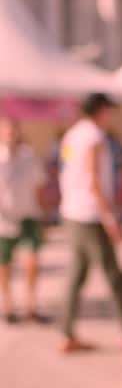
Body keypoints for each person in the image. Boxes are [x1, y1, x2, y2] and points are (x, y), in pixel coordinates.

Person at [58, 92, 122, 352]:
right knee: (113, 273)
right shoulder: (93, 137)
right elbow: (93, 180)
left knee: (77, 275)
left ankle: (66, 332)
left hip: (72, 211)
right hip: (89, 213)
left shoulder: (72, 134)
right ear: (101, 111)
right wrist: (111, 219)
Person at [0, 117, 47, 323]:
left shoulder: (28, 156)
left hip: (28, 215)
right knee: (4, 264)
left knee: (32, 261)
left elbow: (39, 186)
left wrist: (43, 214)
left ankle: (31, 305)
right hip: (3, 219)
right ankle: (8, 305)